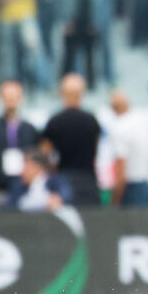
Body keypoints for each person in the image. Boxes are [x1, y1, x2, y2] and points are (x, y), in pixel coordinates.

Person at [42, 72, 102, 207]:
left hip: (64, 183)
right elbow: (96, 151)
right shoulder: (92, 121)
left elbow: (45, 154)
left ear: (62, 93)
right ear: (82, 92)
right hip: (89, 181)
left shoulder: (55, 121)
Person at [0, 80, 40, 207]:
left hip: (26, 192)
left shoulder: (30, 129)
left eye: (14, 96)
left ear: (21, 98)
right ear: (1, 98)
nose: (11, 100)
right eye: (7, 96)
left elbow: (37, 160)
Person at [108, 90, 148, 208]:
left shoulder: (119, 127)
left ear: (113, 108)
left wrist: (115, 200)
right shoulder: (143, 124)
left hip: (131, 189)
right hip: (146, 186)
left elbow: (121, 169)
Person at [7, 148, 72, 212]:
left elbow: (66, 193)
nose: (22, 170)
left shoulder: (56, 181)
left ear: (37, 166)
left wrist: (59, 199)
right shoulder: (18, 186)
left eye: (25, 165)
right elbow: (9, 206)